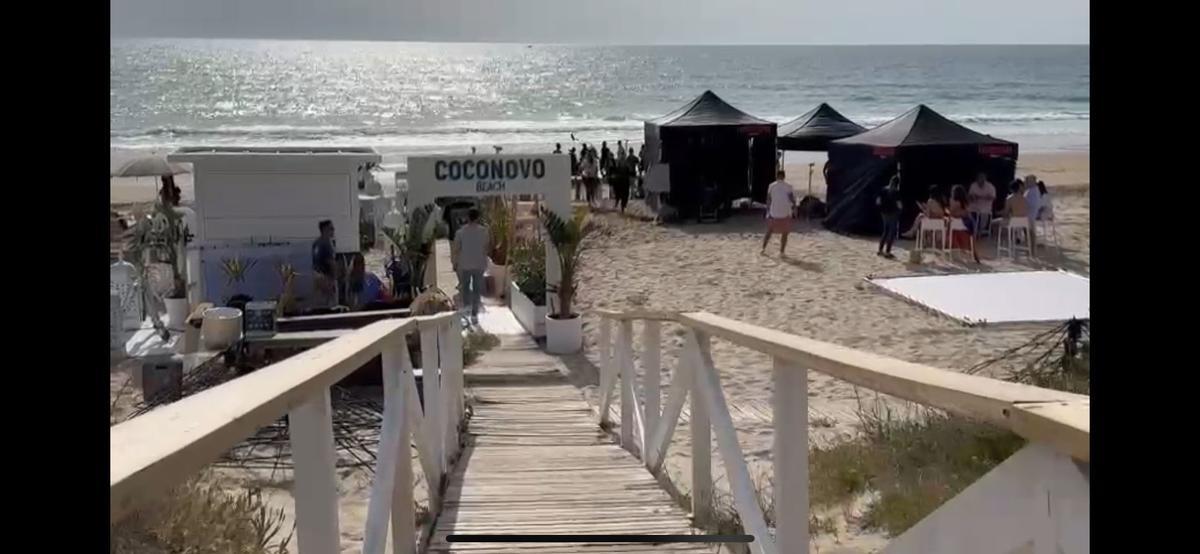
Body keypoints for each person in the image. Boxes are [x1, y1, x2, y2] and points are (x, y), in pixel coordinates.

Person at [451, 208, 489, 324]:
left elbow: (456, 249)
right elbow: (486, 247)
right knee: (477, 289)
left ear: (467, 218)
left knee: (466, 288)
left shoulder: (460, 232)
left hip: (465, 264)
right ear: (477, 218)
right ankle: (474, 314)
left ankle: (467, 310)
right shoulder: (484, 231)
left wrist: (455, 263)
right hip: (479, 264)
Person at [761, 170, 796, 256]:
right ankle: (782, 251)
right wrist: (795, 207)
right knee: (785, 233)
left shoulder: (771, 186)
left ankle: (763, 248)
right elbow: (791, 199)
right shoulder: (789, 186)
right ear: (784, 177)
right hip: (785, 213)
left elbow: (768, 199)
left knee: (769, 231)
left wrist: (767, 211)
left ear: (776, 176)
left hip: (774, 213)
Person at [948, 185, 981, 262]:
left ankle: (955, 252)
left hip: (957, 223)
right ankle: (974, 252)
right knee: (971, 237)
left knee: (951, 228)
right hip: (966, 223)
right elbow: (966, 212)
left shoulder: (952, 201)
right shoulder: (964, 202)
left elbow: (952, 213)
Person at [312, 220, 338, 308]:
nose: (333, 230)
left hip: (317, 275)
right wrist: (335, 277)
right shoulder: (327, 244)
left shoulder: (316, 243)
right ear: (325, 229)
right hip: (326, 277)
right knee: (331, 304)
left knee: (319, 304)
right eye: (331, 228)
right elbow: (330, 262)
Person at [876, 175, 902, 258]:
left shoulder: (883, 189)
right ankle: (888, 251)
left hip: (884, 213)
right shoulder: (896, 192)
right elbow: (899, 205)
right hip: (893, 213)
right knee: (892, 232)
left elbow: (878, 202)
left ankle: (880, 250)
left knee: (885, 231)